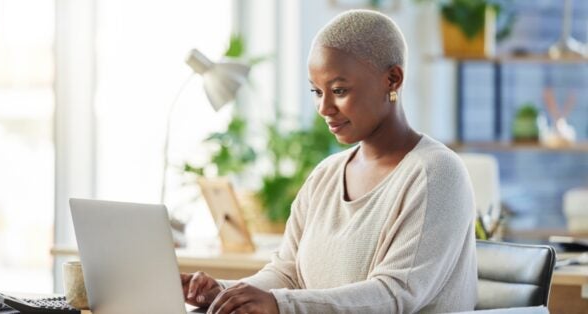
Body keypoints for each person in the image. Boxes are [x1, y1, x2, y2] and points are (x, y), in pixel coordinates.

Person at [181, 9, 478, 314]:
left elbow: (396, 294)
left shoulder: (436, 173)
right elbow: (287, 274)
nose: (324, 108)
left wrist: (279, 305)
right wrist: (224, 293)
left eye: (339, 90)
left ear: (392, 79)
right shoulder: (326, 174)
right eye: (316, 91)